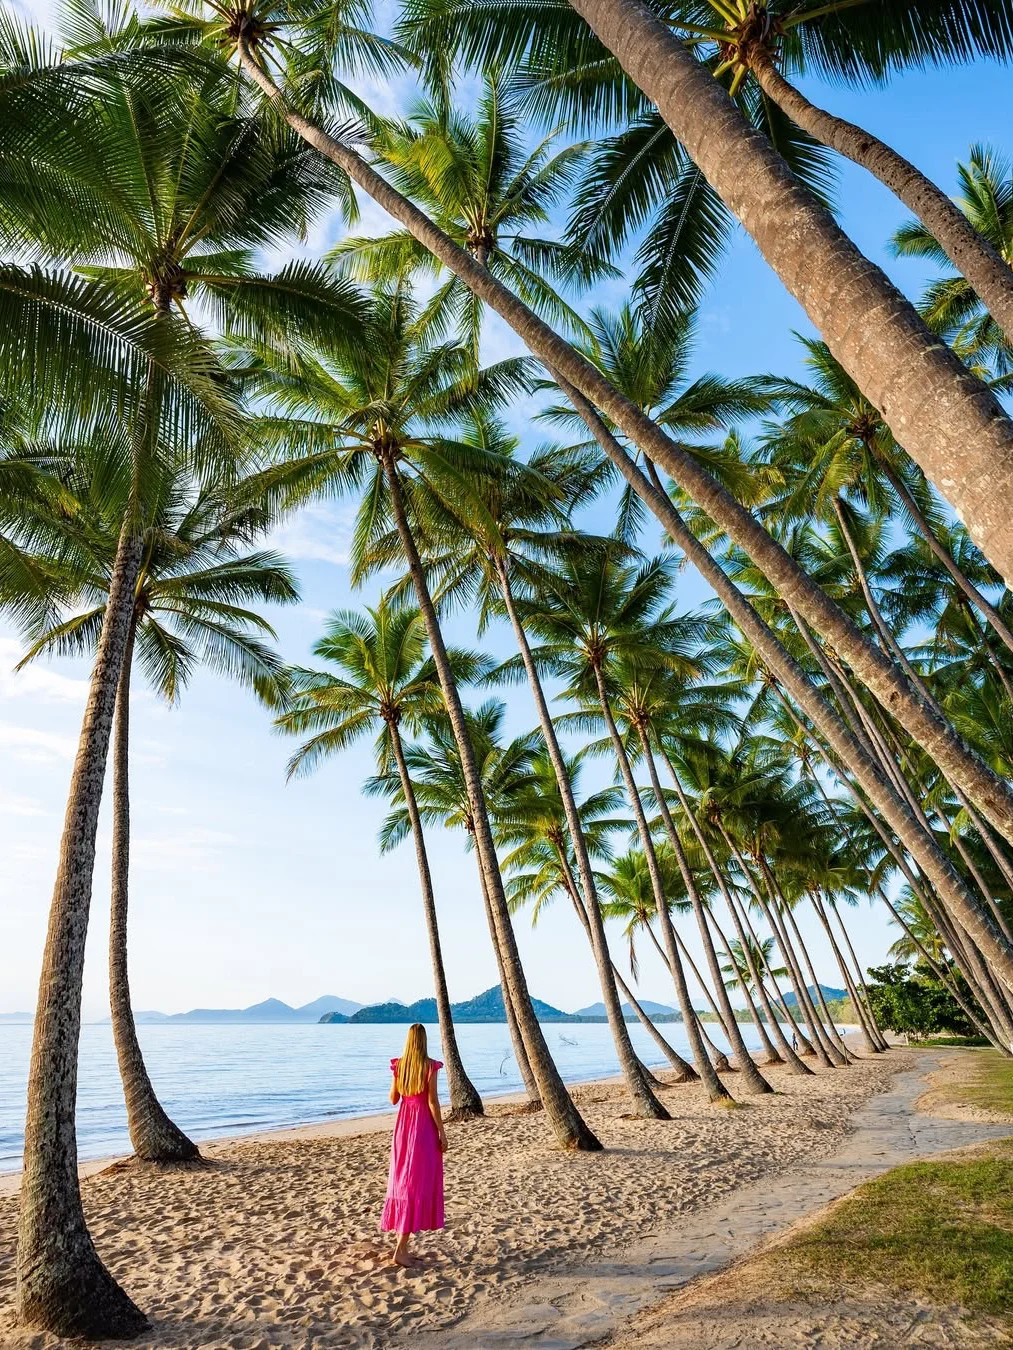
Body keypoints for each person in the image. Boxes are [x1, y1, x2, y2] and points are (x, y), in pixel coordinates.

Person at [381, 1023, 448, 1267]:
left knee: (403, 1182)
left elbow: (393, 1099)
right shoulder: (430, 1066)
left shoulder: (400, 1066)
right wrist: (441, 1131)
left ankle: (403, 1246)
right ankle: (400, 1249)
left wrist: (398, 1078)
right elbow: (432, 1101)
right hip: (422, 1128)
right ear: (423, 1040)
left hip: (403, 1127)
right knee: (415, 1184)